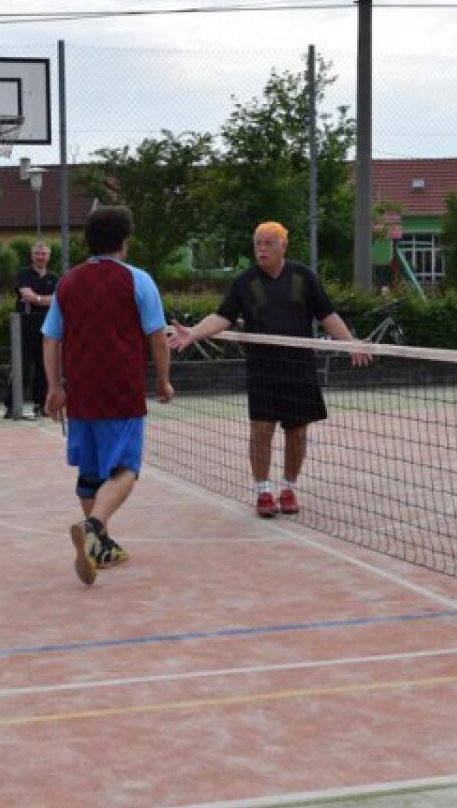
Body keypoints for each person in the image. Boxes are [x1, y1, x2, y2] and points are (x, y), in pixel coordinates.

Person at [168, 221, 369, 518]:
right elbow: (222, 317)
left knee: (297, 432)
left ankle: (289, 488)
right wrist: (194, 333)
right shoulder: (245, 282)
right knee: (261, 430)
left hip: (299, 367)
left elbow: (327, 315)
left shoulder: (303, 277)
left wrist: (350, 343)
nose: (261, 248)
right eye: (258, 243)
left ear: (283, 246)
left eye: (268, 243)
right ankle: (263, 491)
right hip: (262, 368)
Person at [42, 206, 173, 586]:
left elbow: (51, 338)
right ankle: (94, 526)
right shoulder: (138, 280)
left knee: (90, 473)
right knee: (126, 469)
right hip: (122, 390)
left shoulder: (67, 282)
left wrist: (54, 387)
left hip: (81, 392)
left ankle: (99, 547)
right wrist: (163, 381)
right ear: (124, 242)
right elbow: (157, 336)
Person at [3, 240, 58, 419]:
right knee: (22, 367)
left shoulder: (54, 278)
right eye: (37, 253)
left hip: (46, 328)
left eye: (44, 254)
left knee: (44, 367)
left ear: (48, 256)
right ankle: (12, 406)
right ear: (32, 256)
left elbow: (57, 300)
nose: (40, 257)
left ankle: (41, 405)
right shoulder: (23, 275)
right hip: (24, 327)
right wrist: (46, 299)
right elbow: (26, 295)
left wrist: (38, 299)